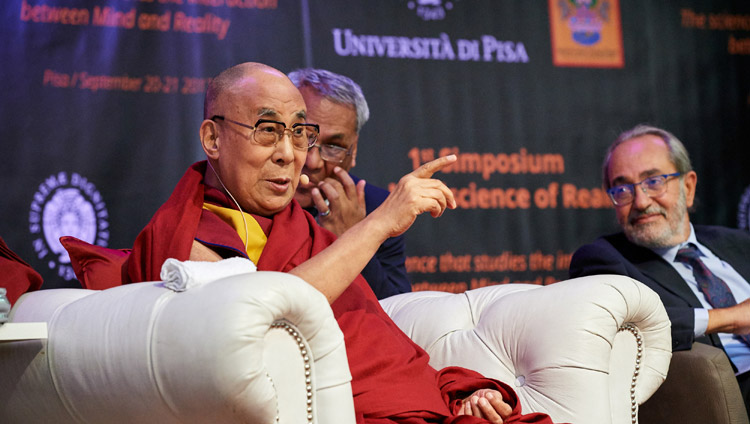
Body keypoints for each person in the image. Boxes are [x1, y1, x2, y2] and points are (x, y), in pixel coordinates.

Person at [126, 62, 554, 424]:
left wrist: (458, 395)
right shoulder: (188, 234)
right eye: (268, 131)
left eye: (299, 134)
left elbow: (386, 337)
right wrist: (373, 226)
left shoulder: (303, 229)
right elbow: (266, 314)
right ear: (213, 138)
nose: (293, 155)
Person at [569, 124, 750, 412]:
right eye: (623, 188)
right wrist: (731, 318)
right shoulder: (604, 260)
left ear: (687, 187)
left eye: (653, 181)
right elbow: (626, 327)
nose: (640, 201)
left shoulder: (739, 243)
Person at [288, 68, 410, 299]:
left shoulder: (378, 209)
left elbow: (395, 310)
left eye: (333, 147)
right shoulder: (244, 194)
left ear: (353, 152)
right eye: (302, 137)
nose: (312, 162)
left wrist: (354, 237)